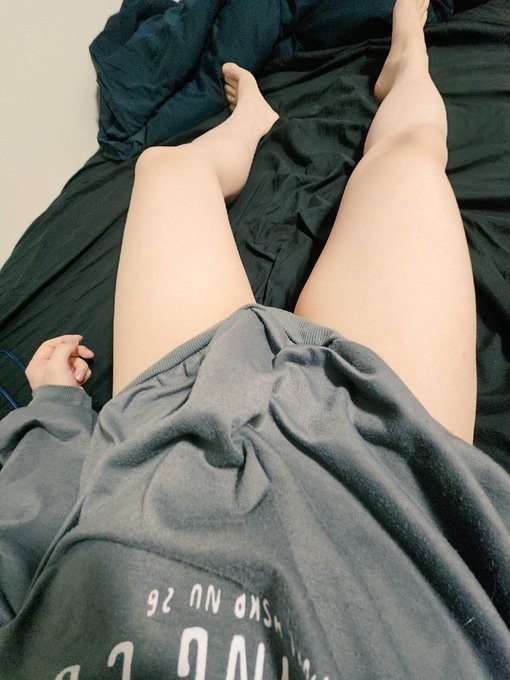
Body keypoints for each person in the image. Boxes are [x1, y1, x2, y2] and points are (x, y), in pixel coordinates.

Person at [1, 1, 508, 678]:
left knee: (165, 170)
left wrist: (54, 413)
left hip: (172, 433)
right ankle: (409, 56)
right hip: (393, 481)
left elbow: (16, 569)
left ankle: (256, 121)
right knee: (410, 155)